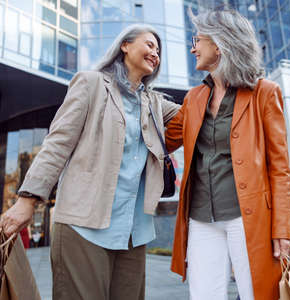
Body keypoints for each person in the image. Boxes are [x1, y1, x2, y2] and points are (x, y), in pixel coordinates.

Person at [0, 24, 179, 300]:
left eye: (158, 50)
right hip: (83, 226)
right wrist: (28, 200)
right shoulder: (91, 83)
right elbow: (57, 143)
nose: (155, 53)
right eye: (149, 44)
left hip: (133, 231)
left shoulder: (153, 103)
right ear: (125, 46)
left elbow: (197, 113)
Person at [165, 9, 290, 300]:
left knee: (256, 293)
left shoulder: (264, 92)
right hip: (201, 217)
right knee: (204, 295)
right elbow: (162, 139)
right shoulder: (194, 97)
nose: (193, 47)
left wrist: (283, 225)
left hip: (247, 216)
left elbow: (280, 167)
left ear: (220, 45)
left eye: (198, 40)